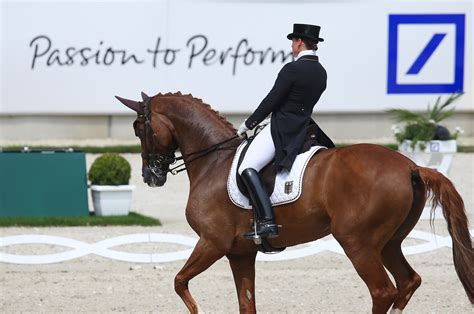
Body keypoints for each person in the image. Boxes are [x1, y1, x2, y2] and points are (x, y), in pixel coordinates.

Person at [237, 23, 335, 240]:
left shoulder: (292, 69)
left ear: (299, 42)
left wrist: (250, 123)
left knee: (247, 166)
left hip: (281, 127)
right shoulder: (321, 72)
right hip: (305, 126)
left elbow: (272, 100)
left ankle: (267, 221)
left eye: (293, 41)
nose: (292, 45)